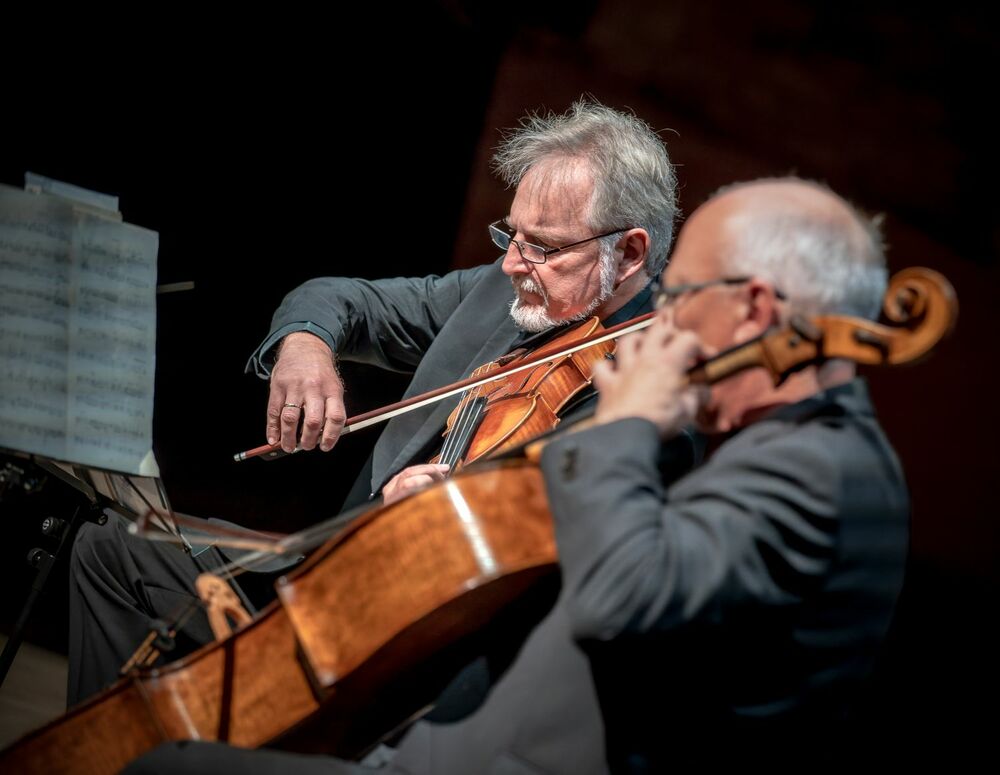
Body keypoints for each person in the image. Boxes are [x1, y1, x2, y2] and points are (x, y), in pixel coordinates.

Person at [123, 177, 909, 773]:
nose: (666, 321)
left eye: (686, 297)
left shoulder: (821, 472)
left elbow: (620, 594)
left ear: (756, 310)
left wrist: (630, 422)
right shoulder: (791, 449)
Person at [66, 100, 683, 706]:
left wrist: (450, 512)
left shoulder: (649, 389)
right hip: (335, 576)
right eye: (511, 234)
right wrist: (305, 349)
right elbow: (344, 299)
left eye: (543, 247)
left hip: (434, 643)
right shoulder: (500, 293)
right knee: (114, 546)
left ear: (629, 252)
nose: (513, 263)